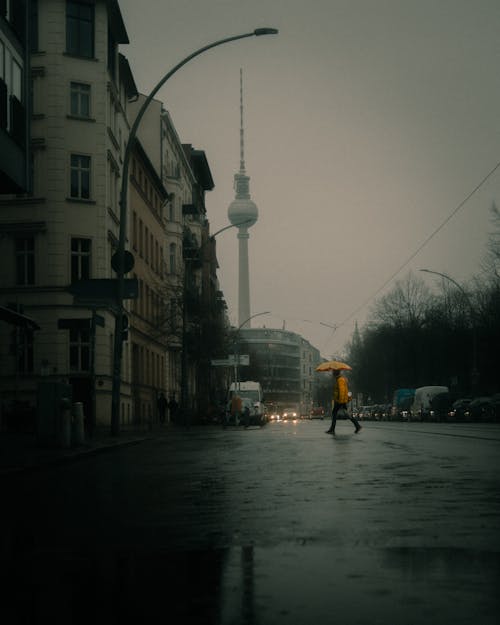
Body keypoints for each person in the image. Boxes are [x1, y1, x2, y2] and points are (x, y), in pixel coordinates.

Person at [326, 369, 362, 435]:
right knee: (346, 414)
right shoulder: (339, 379)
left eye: (333, 372)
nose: (332, 374)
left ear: (336, 373)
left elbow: (342, 391)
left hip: (340, 400)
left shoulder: (340, 380)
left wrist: (341, 401)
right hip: (340, 400)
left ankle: (332, 429)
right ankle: (357, 426)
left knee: (335, 413)